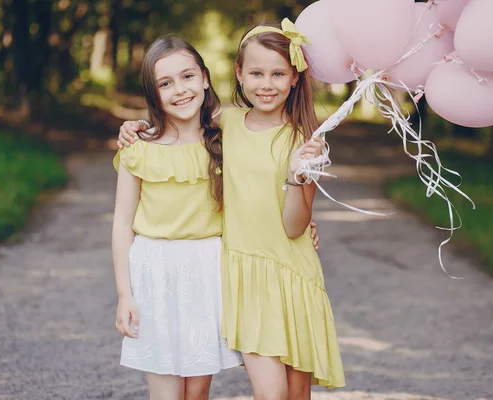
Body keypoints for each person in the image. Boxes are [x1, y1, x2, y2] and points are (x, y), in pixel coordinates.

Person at [117, 19, 343, 399]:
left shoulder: (304, 142)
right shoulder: (224, 127)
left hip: (290, 272)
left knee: (295, 393)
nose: (266, 83)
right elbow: (177, 131)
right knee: (270, 393)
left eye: (278, 73)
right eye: (256, 72)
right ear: (238, 74)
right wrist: (135, 125)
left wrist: (296, 180)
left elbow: (293, 223)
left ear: (294, 79)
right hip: (242, 273)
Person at [111, 35, 242, 400]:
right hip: (155, 272)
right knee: (166, 392)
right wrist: (125, 293)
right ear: (154, 95)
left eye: (187, 77)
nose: (179, 90)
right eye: (165, 83)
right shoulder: (139, 148)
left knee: (197, 392)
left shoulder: (227, 138)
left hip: (208, 270)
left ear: (204, 78)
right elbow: (122, 223)